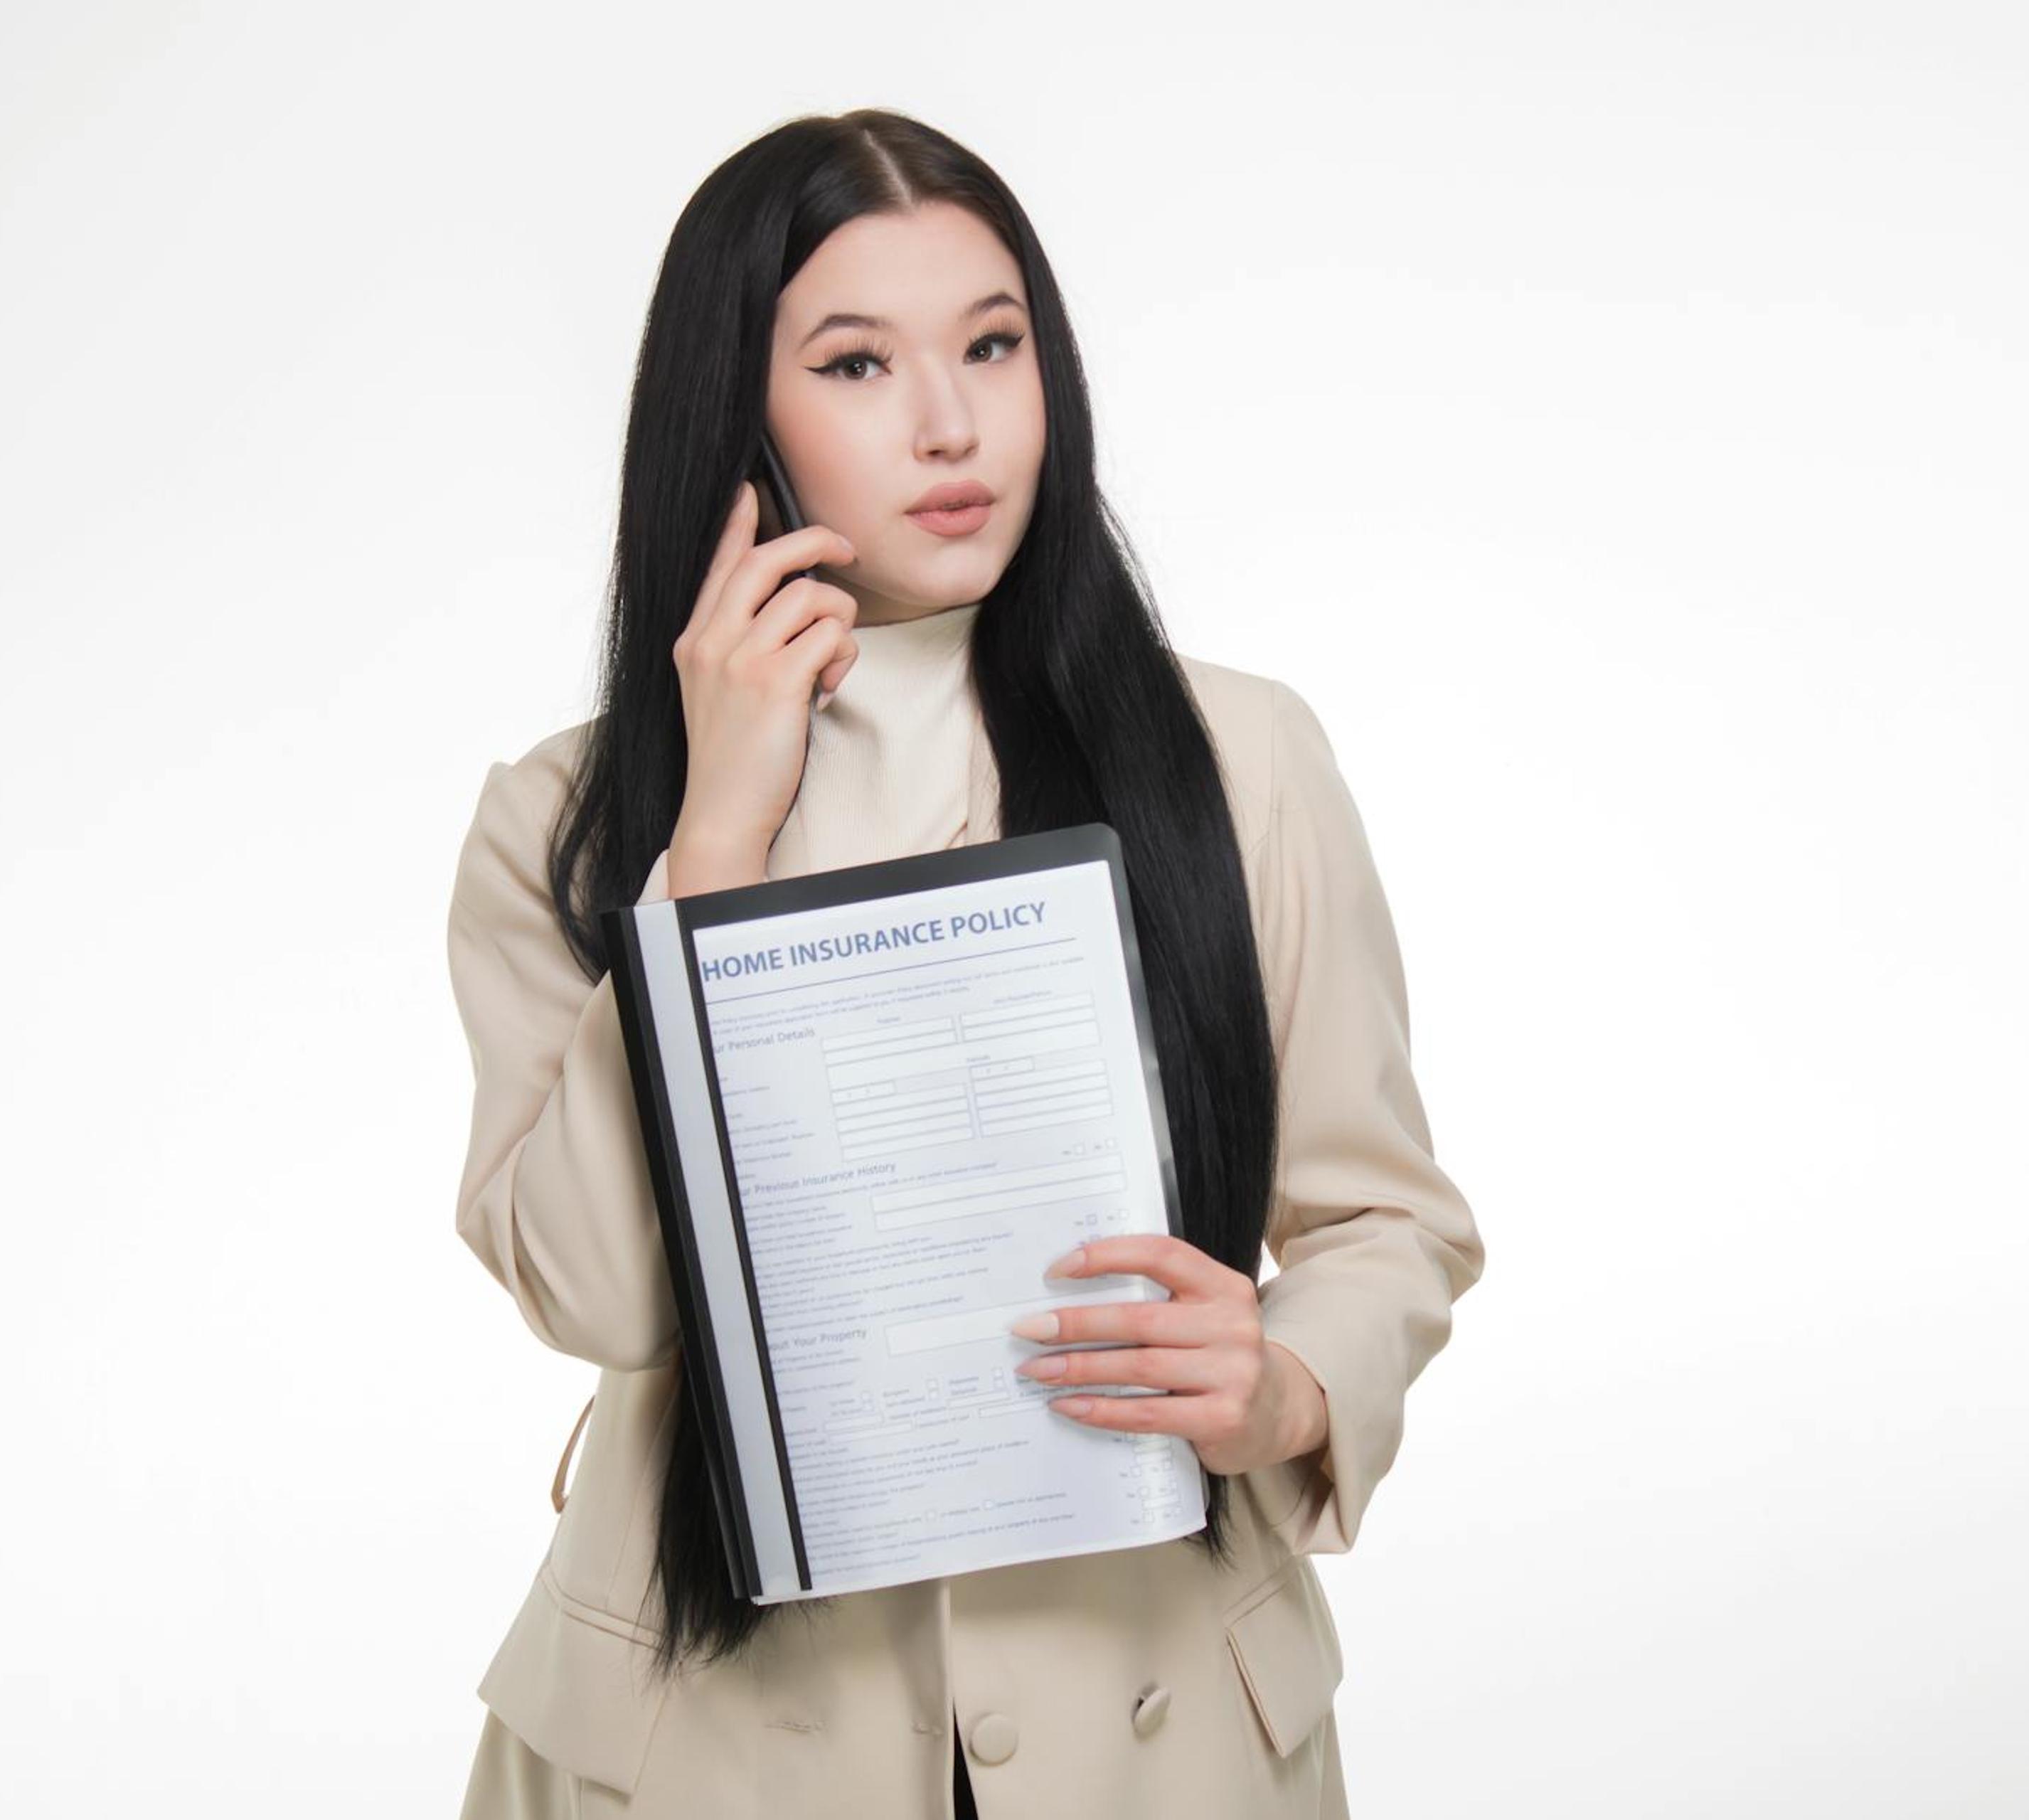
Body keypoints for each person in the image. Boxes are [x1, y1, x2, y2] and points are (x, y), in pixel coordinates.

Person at [444, 109, 1484, 1819]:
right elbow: (602, 1295)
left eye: (993, 344)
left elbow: (1387, 1217)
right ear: (735, 414)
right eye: (857, 364)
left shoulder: (1238, 758)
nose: (951, 422)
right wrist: (712, 839)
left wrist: (1287, 1384)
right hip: (707, 1747)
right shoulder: (566, 821)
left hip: (1156, 1719)